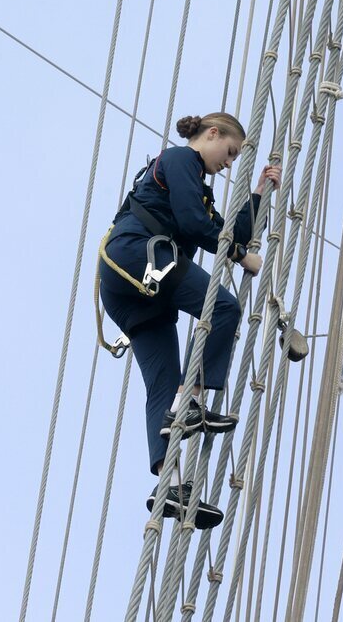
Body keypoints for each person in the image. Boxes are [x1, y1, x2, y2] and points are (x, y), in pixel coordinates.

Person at [99, 112, 281, 529]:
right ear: (212, 134)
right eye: (230, 152)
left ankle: (170, 486)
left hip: (132, 288)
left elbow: (224, 230)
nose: (229, 162)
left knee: (162, 382)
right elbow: (194, 224)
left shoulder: (197, 188)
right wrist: (239, 256)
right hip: (137, 253)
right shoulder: (181, 160)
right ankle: (193, 400)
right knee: (224, 308)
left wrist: (259, 196)